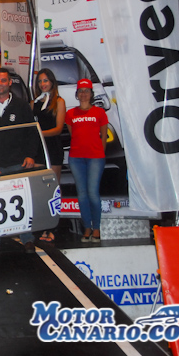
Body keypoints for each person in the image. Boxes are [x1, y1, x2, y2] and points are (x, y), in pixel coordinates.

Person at [0, 67, 38, 253]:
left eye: (3, 80)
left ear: (10, 83)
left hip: (17, 162)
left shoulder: (22, 106)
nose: (0, 84)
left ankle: (27, 238)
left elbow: (32, 133)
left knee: (22, 202)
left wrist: (30, 155)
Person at [66, 79, 108, 243]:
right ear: (77, 94)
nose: (83, 94)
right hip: (76, 158)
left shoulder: (99, 112)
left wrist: (100, 153)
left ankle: (96, 227)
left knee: (93, 193)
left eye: (87, 90)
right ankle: (87, 227)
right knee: (82, 195)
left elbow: (103, 135)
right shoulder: (71, 114)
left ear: (91, 94)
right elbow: (73, 134)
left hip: (95, 158)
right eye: (81, 91)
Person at [32, 68, 65, 242]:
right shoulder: (34, 103)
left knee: (54, 190)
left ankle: (54, 228)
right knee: (40, 191)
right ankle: (41, 227)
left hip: (53, 148)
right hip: (38, 150)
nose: (43, 84)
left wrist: (39, 134)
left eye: (45, 80)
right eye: (40, 81)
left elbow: (58, 129)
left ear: (52, 82)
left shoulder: (59, 101)